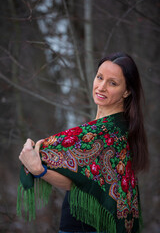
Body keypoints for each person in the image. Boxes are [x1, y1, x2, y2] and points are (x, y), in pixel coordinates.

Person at [18, 52, 149, 233]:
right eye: (100, 77)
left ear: (126, 91)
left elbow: (76, 183)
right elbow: (80, 182)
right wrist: (40, 169)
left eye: (113, 83)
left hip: (84, 228)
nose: (101, 87)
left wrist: (38, 169)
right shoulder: (116, 129)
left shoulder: (106, 133)